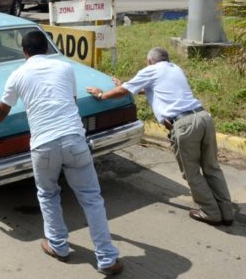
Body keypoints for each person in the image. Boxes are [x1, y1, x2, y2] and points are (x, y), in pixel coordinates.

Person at [0, 30, 123, 276]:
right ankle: (107, 259)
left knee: (48, 194)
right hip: (74, 139)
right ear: (46, 49)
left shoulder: (18, 74)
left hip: (43, 145)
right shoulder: (65, 69)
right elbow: (71, 103)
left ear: (24, 52)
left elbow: (2, 108)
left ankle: (58, 246)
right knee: (91, 198)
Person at [86, 47, 234, 226]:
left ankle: (210, 211)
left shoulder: (150, 70)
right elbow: (151, 89)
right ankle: (226, 211)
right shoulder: (175, 69)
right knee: (212, 168)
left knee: (192, 172)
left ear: (150, 61)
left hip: (184, 125)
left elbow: (124, 91)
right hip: (203, 118)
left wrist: (102, 95)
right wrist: (126, 86)